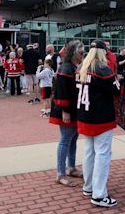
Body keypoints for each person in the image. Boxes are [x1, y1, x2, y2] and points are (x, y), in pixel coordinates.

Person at [77, 39, 120, 208]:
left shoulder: (82, 67)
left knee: (89, 152)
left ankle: (88, 187)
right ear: (103, 52)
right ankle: (99, 194)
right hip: (101, 116)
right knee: (102, 154)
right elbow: (117, 90)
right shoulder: (102, 68)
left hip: (84, 115)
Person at [49, 40, 85, 188]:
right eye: (81, 52)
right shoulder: (66, 68)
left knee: (73, 139)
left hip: (74, 109)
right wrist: (65, 110)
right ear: (73, 53)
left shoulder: (76, 66)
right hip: (66, 110)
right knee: (65, 140)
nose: (83, 54)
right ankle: (60, 173)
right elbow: (61, 91)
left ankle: (71, 167)